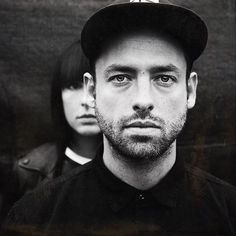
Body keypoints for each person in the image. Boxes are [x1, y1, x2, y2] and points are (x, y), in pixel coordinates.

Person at [3, 0, 236, 235]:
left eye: (164, 78)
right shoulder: (34, 217)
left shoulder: (228, 212)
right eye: (121, 78)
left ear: (190, 91)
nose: (143, 101)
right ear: (92, 91)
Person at [14, 40, 102, 195]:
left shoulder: (139, 169)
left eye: (96, 86)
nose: (85, 101)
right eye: (73, 86)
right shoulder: (30, 170)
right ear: (58, 97)